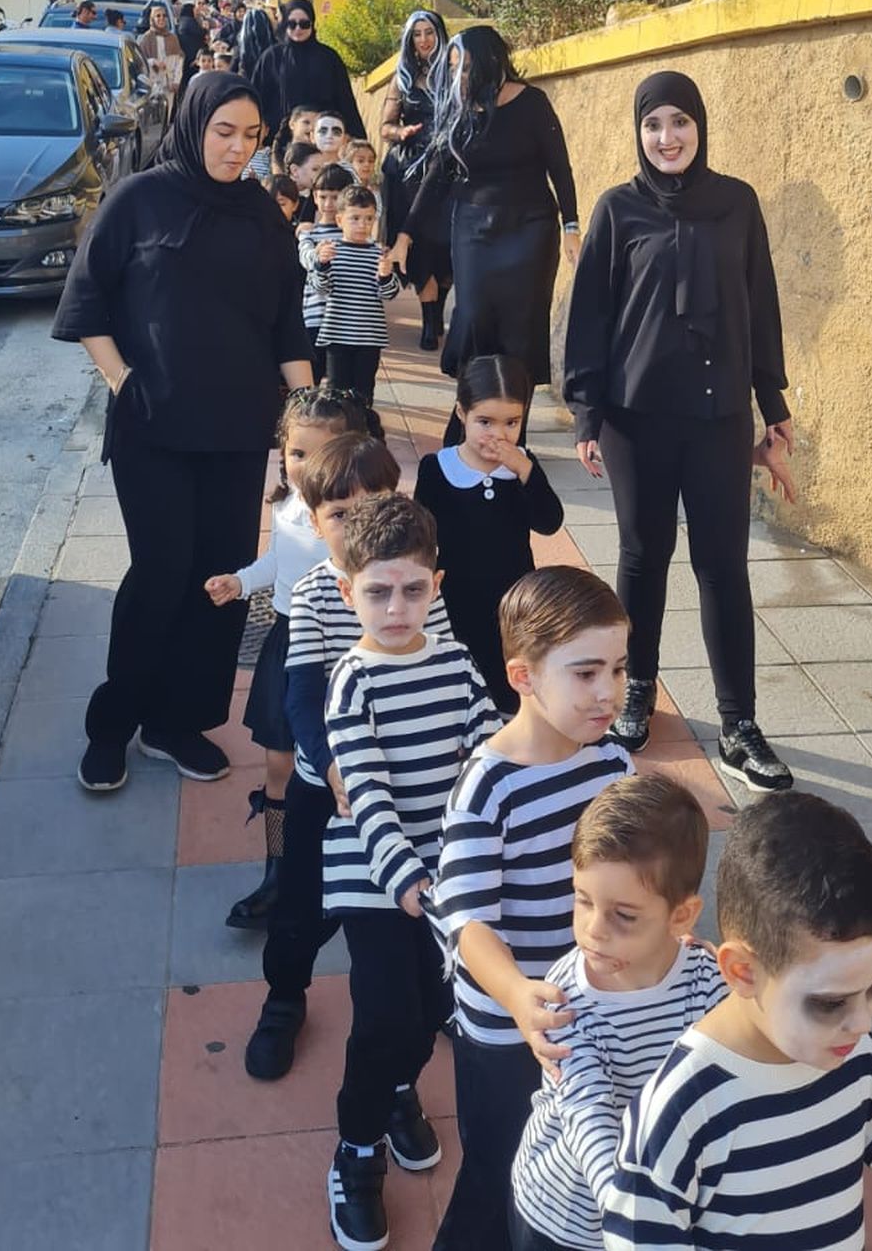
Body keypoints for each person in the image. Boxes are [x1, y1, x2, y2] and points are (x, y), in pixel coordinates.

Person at [604, 793, 872, 1248]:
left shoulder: (854, 1060)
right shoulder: (681, 1109)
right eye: (831, 1003)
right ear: (742, 971)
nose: (862, 1020)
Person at [52, 72, 313, 794]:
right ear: (195, 124)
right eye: (223, 131)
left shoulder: (264, 217)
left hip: (237, 431)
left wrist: (316, 411)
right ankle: (114, 723)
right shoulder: (139, 199)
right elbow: (87, 297)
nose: (237, 148)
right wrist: (122, 379)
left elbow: (288, 321)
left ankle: (177, 721)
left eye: (251, 136)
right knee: (162, 574)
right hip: (153, 428)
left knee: (220, 582)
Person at [563, 70, 795, 794]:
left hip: (720, 413)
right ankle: (638, 689)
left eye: (680, 123)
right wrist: (585, 411)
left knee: (724, 564)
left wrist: (772, 400)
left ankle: (739, 723)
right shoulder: (617, 209)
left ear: (700, 126)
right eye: (654, 123)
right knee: (643, 555)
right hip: (637, 416)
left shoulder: (737, 203)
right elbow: (591, 315)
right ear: (638, 132)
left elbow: (759, 302)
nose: (667, 137)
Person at [428, 566, 632, 1251]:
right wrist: (516, 995)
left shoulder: (612, 763)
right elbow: (469, 923)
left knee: (567, 1162)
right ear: (523, 675)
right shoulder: (489, 785)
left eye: (619, 667)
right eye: (585, 672)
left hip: (584, 1011)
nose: (608, 691)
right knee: (496, 1171)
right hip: (504, 1026)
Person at [323, 494, 498, 1251]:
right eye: (378, 591)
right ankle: (356, 1149)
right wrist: (404, 878)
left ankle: (400, 1089)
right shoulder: (352, 680)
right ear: (347, 591)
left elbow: (490, 746)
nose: (397, 609)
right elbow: (365, 787)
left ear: (438, 584)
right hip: (376, 875)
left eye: (414, 589)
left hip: (442, 875)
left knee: (435, 1008)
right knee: (386, 1012)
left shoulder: (457, 662)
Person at [249, 433, 453, 1081]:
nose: (362, 526)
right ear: (315, 521)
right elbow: (304, 697)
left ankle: (396, 1077)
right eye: (342, 514)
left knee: (399, 943)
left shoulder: (419, 592)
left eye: (376, 506)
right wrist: (336, 764)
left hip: (406, 797)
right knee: (299, 913)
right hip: (326, 793)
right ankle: (285, 998)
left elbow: (445, 675)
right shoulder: (314, 594)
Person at [510, 774, 721, 1251]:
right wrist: (632, 1216)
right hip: (567, 1217)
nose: (593, 930)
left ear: (682, 917)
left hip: (663, 1211)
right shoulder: (565, 997)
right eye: (583, 901)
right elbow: (588, 1112)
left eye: (624, 915)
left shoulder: (706, 979)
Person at [204, 383, 377, 928]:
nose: (305, 467)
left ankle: (363, 858)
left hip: (346, 647)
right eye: (296, 453)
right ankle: (279, 868)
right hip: (289, 641)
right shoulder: (283, 508)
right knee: (279, 762)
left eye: (321, 454)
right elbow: (276, 564)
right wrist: (240, 580)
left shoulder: (360, 513)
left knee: (352, 758)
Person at [392, 27, 578, 420]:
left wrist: (571, 226)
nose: (459, 80)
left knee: (519, 329)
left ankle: (514, 427)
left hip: (531, 228)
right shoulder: (461, 110)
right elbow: (437, 175)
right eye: (456, 71)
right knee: (474, 317)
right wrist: (405, 236)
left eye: (465, 70)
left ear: (491, 62)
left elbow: (559, 167)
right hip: (473, 228)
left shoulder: (533, 104)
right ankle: (471, 420)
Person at [413, 354, 565, 711]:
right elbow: (420, 536)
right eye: (485, 421)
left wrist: (526, 472)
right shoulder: (438, 468)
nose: (499, 434)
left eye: (511, 422)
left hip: (513, 596)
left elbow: (549, 521)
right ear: (461, 413)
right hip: (456, 595)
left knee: (509, 675)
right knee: (464, 672)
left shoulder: (522, 467)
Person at [380, 11, 453, 349]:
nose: (423, 40)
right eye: (417, 34)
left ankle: (438, 309)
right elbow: (386, 127)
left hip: (449, 168)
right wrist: (402, 132)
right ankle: (429, 319)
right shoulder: (403, 77)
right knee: (418, 241)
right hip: (410, 170)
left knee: (447, 245)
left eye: (429, 32)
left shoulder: (456, 72)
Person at [310, 185, 401, 406]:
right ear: (340, 220)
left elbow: (390, 293)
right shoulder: (331, 251)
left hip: (369, 337)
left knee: (363, 391)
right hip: (337, 335)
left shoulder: (378, 254)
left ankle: (360, 432)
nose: (363, 225)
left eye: (369, 219)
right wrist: (321, 265)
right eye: (355, 218)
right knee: (335, 392)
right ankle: (337, 434)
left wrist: (386, 276)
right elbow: (319, 288)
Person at [250, 0, 365, 140]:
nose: (298, 29)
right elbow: (257, 99)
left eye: (304, 24)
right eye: (292, 24)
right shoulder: (272, 57)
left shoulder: (328, 58)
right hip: (278, 140)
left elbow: (344, 99)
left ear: (312, 25)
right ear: (285, 24)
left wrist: (355, 138)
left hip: (323, 139)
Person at [297, 162, 355, 373]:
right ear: (314, 197)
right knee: (313, 375)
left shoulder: (355, 236)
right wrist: (318, 256)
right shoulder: (309, 234)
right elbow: (305, 257)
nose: (329, 204)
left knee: (340, 381)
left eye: (335, 197)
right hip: (315, 317)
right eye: (323, 197)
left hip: (346, 321)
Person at [137, 3, 183, 98]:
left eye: (164, 15)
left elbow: (179, 61)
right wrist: (153, 62)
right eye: (158, 16)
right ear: (152, 19)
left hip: (169, 85)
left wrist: (176, 81)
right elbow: (139, 61)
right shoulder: (145, 38)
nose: (161, 18)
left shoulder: (173, 38)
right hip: (151, 85)